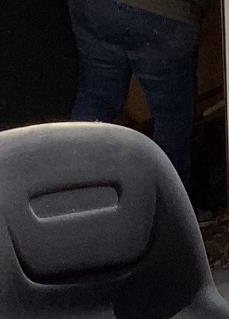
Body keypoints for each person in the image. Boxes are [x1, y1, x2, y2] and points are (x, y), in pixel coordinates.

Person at [68, 0, 209, 188]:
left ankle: (75, 199)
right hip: (164, 15)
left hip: (95, 8)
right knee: (172, 119)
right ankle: (166, 212)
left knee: (95, 99)